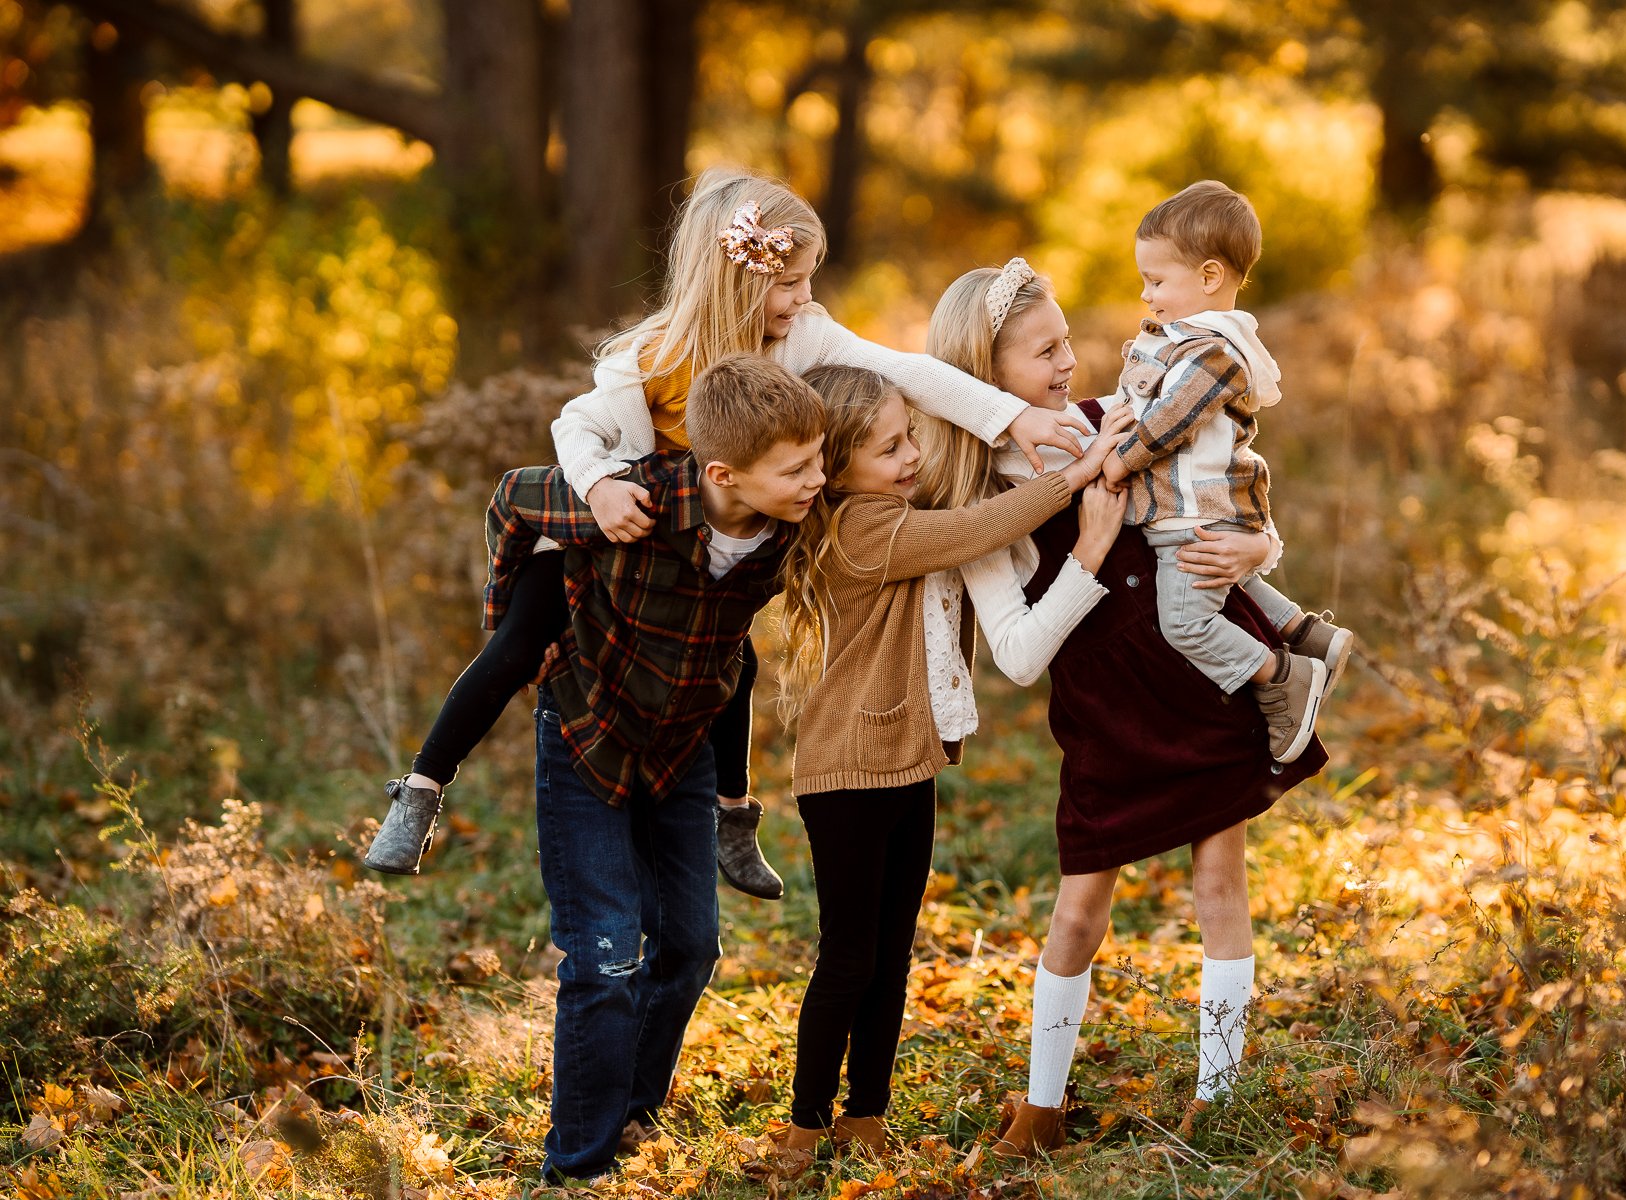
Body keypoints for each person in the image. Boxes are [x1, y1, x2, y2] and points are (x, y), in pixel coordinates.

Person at [364, 167, 1087, 887]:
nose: (806, 297)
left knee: (733, 660)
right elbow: (574, 426)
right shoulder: (650, 359)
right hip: (624, 521)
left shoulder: (800, 338)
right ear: (736, 281)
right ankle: (423, 788)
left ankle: (732, 815)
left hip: (707, 541)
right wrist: (601, 485)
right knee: (525, 632)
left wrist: (1010, 415)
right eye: (790, 282)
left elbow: (903, 369)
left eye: (810, 279)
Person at [918, 258, 1329, 1158]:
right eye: (1043, 352)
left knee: (1221, 887)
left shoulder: (1125, 421)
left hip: (1204, 678)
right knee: (1077, 915)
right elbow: (1021, 655)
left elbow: (1227, 483)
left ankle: (1216, 1098)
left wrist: (1262, 540)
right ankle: (1042, 1106)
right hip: (1106, 713)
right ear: (986, 379)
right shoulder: (982, 505)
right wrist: (1090, 551)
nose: (1070, 364)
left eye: (1067, 342)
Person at [755, 362, 1124, 1176]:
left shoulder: (896, 509)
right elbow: (979, 529)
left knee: (893, 951)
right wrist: (1078, 473)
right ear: (839, 468)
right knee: (848, 953)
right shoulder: (863, 529)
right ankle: (805, 1125)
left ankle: (866, 1116)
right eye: (889, 449)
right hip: (846, 772)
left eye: (910, 436)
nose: (910, 456)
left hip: (904, 764)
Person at [484, 355, 826, 1183]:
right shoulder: (636, 500)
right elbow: (511, 500)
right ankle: (577, 1166)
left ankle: (631, 1110)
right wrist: (510, 635)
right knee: (604, 956)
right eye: (800, 467)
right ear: (723, 473)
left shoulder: (793, 522)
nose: (819, 478)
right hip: (586, 734)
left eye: (820, 460)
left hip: (683, 750)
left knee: (691, 948)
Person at [1097, 180, 1355, 764]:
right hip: (1196, 515)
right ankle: (1310, 636)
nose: (1146, 294)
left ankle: (1282, 677)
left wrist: (1118, 460)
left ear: (1210, 277)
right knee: (1228, 582)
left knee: (1186, 625)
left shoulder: (1214, 352)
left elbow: (1169, 422)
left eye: (1157, 281)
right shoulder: (1183, 343)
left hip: (1196, 514)